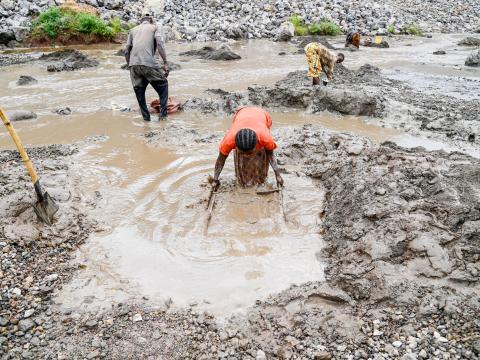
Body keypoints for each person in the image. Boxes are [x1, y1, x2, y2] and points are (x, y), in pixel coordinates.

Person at [212, 106, 283, 190]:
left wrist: (277, 175)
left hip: (262, 115)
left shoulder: (265, 138)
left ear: (257, 142)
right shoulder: (228, 141)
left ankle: (261, 179)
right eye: (243, 152)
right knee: (242, 161)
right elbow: (221, 160)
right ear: (236, 145)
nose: (248, 155)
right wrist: (215, 179)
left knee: (261, 155)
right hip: (241, 114)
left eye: (250, 152)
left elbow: (270, 155)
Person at [124, 13, 169, 121]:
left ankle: (146, 120)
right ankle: (162, 118)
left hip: (134, 65)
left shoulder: (133, 30)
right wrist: (165, 63)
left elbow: (126, 51)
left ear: (141, 21)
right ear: (151, 20)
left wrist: (130, 65)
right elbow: (160, 44)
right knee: (163, 86)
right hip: (148, 64)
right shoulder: (154, 27)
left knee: (140, 94)